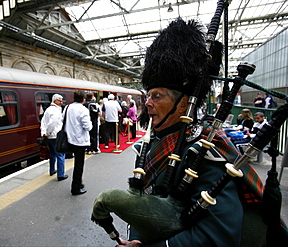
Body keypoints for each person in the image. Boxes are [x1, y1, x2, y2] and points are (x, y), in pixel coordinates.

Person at [92, 18, 272, 247]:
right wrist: (136, 240)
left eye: (157, 96)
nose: (147, 103)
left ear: (184, 103)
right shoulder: (153, 143)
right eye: (148, 95)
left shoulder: (207, 152)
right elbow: (143, 200)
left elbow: (217, 237)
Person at [63, 90, 92, 195]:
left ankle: (79, 183)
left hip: (69, 139)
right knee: (79, 165)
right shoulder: (83, 110)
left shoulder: (67, 107)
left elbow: (63, 120)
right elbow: (88, 127)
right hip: (80, 141)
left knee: (76, 164)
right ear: (83, 99)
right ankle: (76, 188)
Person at [40, 94, 68, 181]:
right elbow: (52, 124)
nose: (61, 102)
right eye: (60, 100)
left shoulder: (48, 109)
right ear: (55, 101)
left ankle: (52, 170)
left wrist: (44, 133)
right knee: (60, 154)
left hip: (49, 136)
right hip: (55, 135)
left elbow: (43, 122)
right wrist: (48, 132)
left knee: (52, 154)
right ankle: (61, 174)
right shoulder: (55, 110)